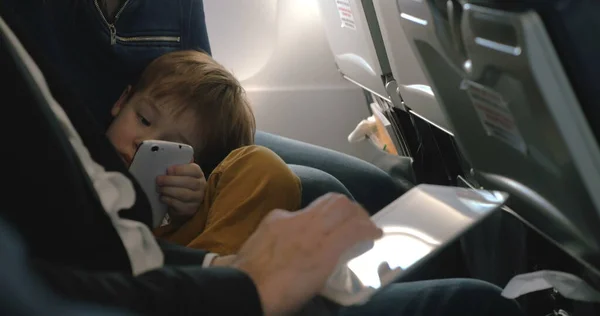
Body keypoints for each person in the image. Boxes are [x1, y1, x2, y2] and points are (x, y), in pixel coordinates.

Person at [0, 10, 524, 316]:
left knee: (348, 185)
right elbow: (76, 271)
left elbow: (201, 87)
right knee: (472, 302)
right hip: (169, 274)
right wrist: (246, 279)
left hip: (186, 151)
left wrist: (221, 257)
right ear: (123, 101)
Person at [0, 0, 406, 214]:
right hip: (89, 146)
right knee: (319, 190)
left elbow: (201, 83)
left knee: (377, 187)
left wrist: (202, 172)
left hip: (178, 135)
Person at [105, 49, 301, 254]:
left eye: (169, 147)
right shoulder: (75, 152)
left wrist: (185, 212)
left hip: (177, 250)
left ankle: (213, 275)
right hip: (116, 257)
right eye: (144, 120)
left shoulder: (190, 205)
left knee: (265, 167)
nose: (144, 142)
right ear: (122, 102)